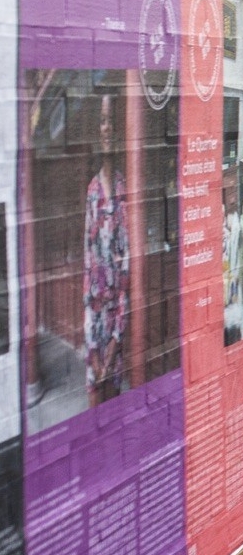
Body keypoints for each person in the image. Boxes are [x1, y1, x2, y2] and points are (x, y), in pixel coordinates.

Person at [84, 91, 130, 406]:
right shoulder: (91, 192)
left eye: (112, 121)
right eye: (102, 121)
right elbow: (88, 270)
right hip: (95, 323)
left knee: (114, 405)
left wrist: (115, 339)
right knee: (94, 400)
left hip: (116, 323)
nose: (107, 128)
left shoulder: (124, 188)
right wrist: (93, 348)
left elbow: (127, 268)